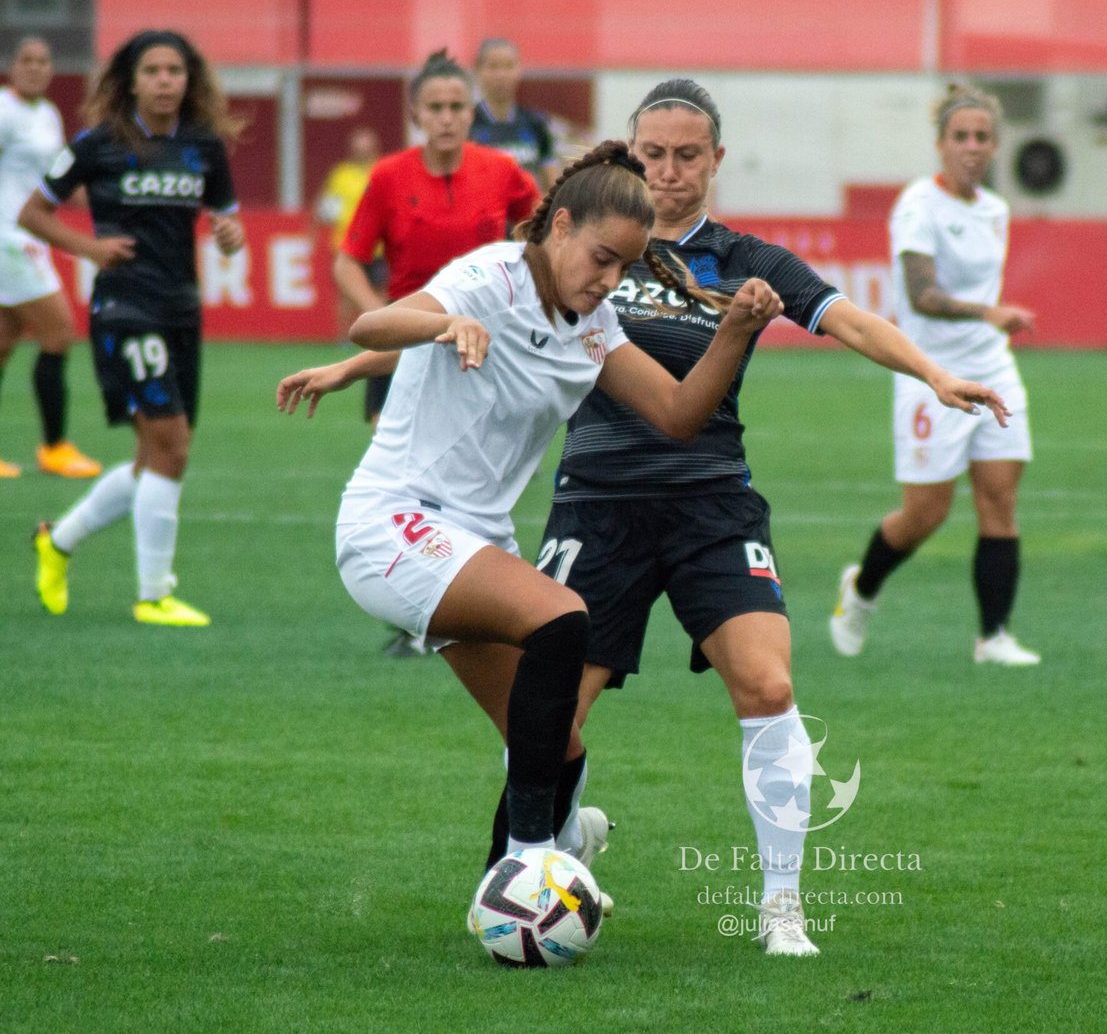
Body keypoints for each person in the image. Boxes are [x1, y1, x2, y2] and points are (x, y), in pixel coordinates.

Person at [489, 79, 1011, 957]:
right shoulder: (589, 251)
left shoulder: (745, 261)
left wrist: (932, 374)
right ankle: (551, 857)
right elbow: (489, 303)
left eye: (687, 155)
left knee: (769, 688)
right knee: (548, 719)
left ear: (717, 160)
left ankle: (781, 909)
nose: (669, 171)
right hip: (597, 504)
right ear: (629, 154)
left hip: (714, 505)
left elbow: (849, 319)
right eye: (653, 154)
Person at [274, 142, 783, 924]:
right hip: (394, 524)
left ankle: (508, 898)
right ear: (562, 225)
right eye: (602, 258)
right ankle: (533, 858)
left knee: (554, 743)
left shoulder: (595, 326)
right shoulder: (492, 277)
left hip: (471, 543)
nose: (609, 280)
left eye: (625, 267)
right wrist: (444, 327)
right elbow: (371, 323)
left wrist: (736, 331)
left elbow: (680, 414)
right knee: (562, 618)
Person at [22, 29, 245, 626]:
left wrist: (230, 235)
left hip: (181, 311)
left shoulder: (203, 145)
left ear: (189, 80)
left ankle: (57, 542)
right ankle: (154, 595)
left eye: (175, 71)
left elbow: (229, 225)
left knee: (154, 457)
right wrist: (88, 249)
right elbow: (33, 213)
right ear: (132, 80)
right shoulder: (99, 144)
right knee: (173, 446)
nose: (165, 81)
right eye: (153, 71)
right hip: (125, 310)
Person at [831, 84, 1041, 667]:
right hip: (929, 373)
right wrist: (989, 312)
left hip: (992, 365)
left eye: (982, 137)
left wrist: (989, 324)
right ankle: (861, 590)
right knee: (926, 514)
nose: (972, 146)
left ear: (995, 145)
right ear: (941, 143)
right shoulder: (918, 206)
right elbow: (922, 295)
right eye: (960, 136)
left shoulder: (995, 209)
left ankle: (993, 637)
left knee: (999, 501)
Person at [335, 50, 538, 654]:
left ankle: (458, 600)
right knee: (402, 475)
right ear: (415, 113)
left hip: (481, 350)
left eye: (456, 106)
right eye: (435, 107)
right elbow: (349, 260)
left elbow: (543, 238)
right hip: (405, 349)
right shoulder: (388, 177)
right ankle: (415, 606)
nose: (447, 118)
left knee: (468, 475)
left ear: (471, 112)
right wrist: (380, 316)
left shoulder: (503, 171)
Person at [0, 36, 101, 479]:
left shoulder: (47, 113)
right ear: (12, 66)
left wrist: (105, 199)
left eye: (43, 61)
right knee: (59, 331)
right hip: (8, 238)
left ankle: (53, 447)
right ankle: (55, 447)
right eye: (27, 60)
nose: (35, 67)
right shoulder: (4, 111)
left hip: (28, 238)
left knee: (3, 343)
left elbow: (55, 180)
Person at [313, 125, 383, 340]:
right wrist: (316, 227)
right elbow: (327, 206)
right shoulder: (341, 175)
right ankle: (344, 336)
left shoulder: (383, 171)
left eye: (366, 147)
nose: (362, 152)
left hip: (378, 245)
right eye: (358, 148)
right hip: (346, 244)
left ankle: (378, 333)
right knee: (346, 292)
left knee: (379, 289)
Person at [469, 38, 560, 190]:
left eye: (508, 66)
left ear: (519, 70)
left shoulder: (536, 123)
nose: (501, 75)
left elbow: (552, 184)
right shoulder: (466, 124)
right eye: (493, 67)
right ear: (478, 70)